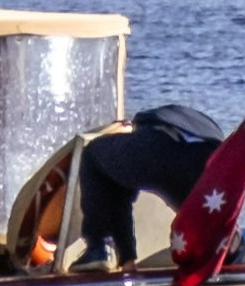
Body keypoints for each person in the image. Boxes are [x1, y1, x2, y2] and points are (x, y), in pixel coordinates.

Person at [66, 100, 223, 273]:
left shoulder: (148, 126)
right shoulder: (200, 125)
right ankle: (228, 253)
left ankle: (100, 248)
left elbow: (118, 189)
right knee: (213, 220)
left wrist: (127, 256)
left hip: (163, 143)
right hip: (212, 159)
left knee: (93, 155)